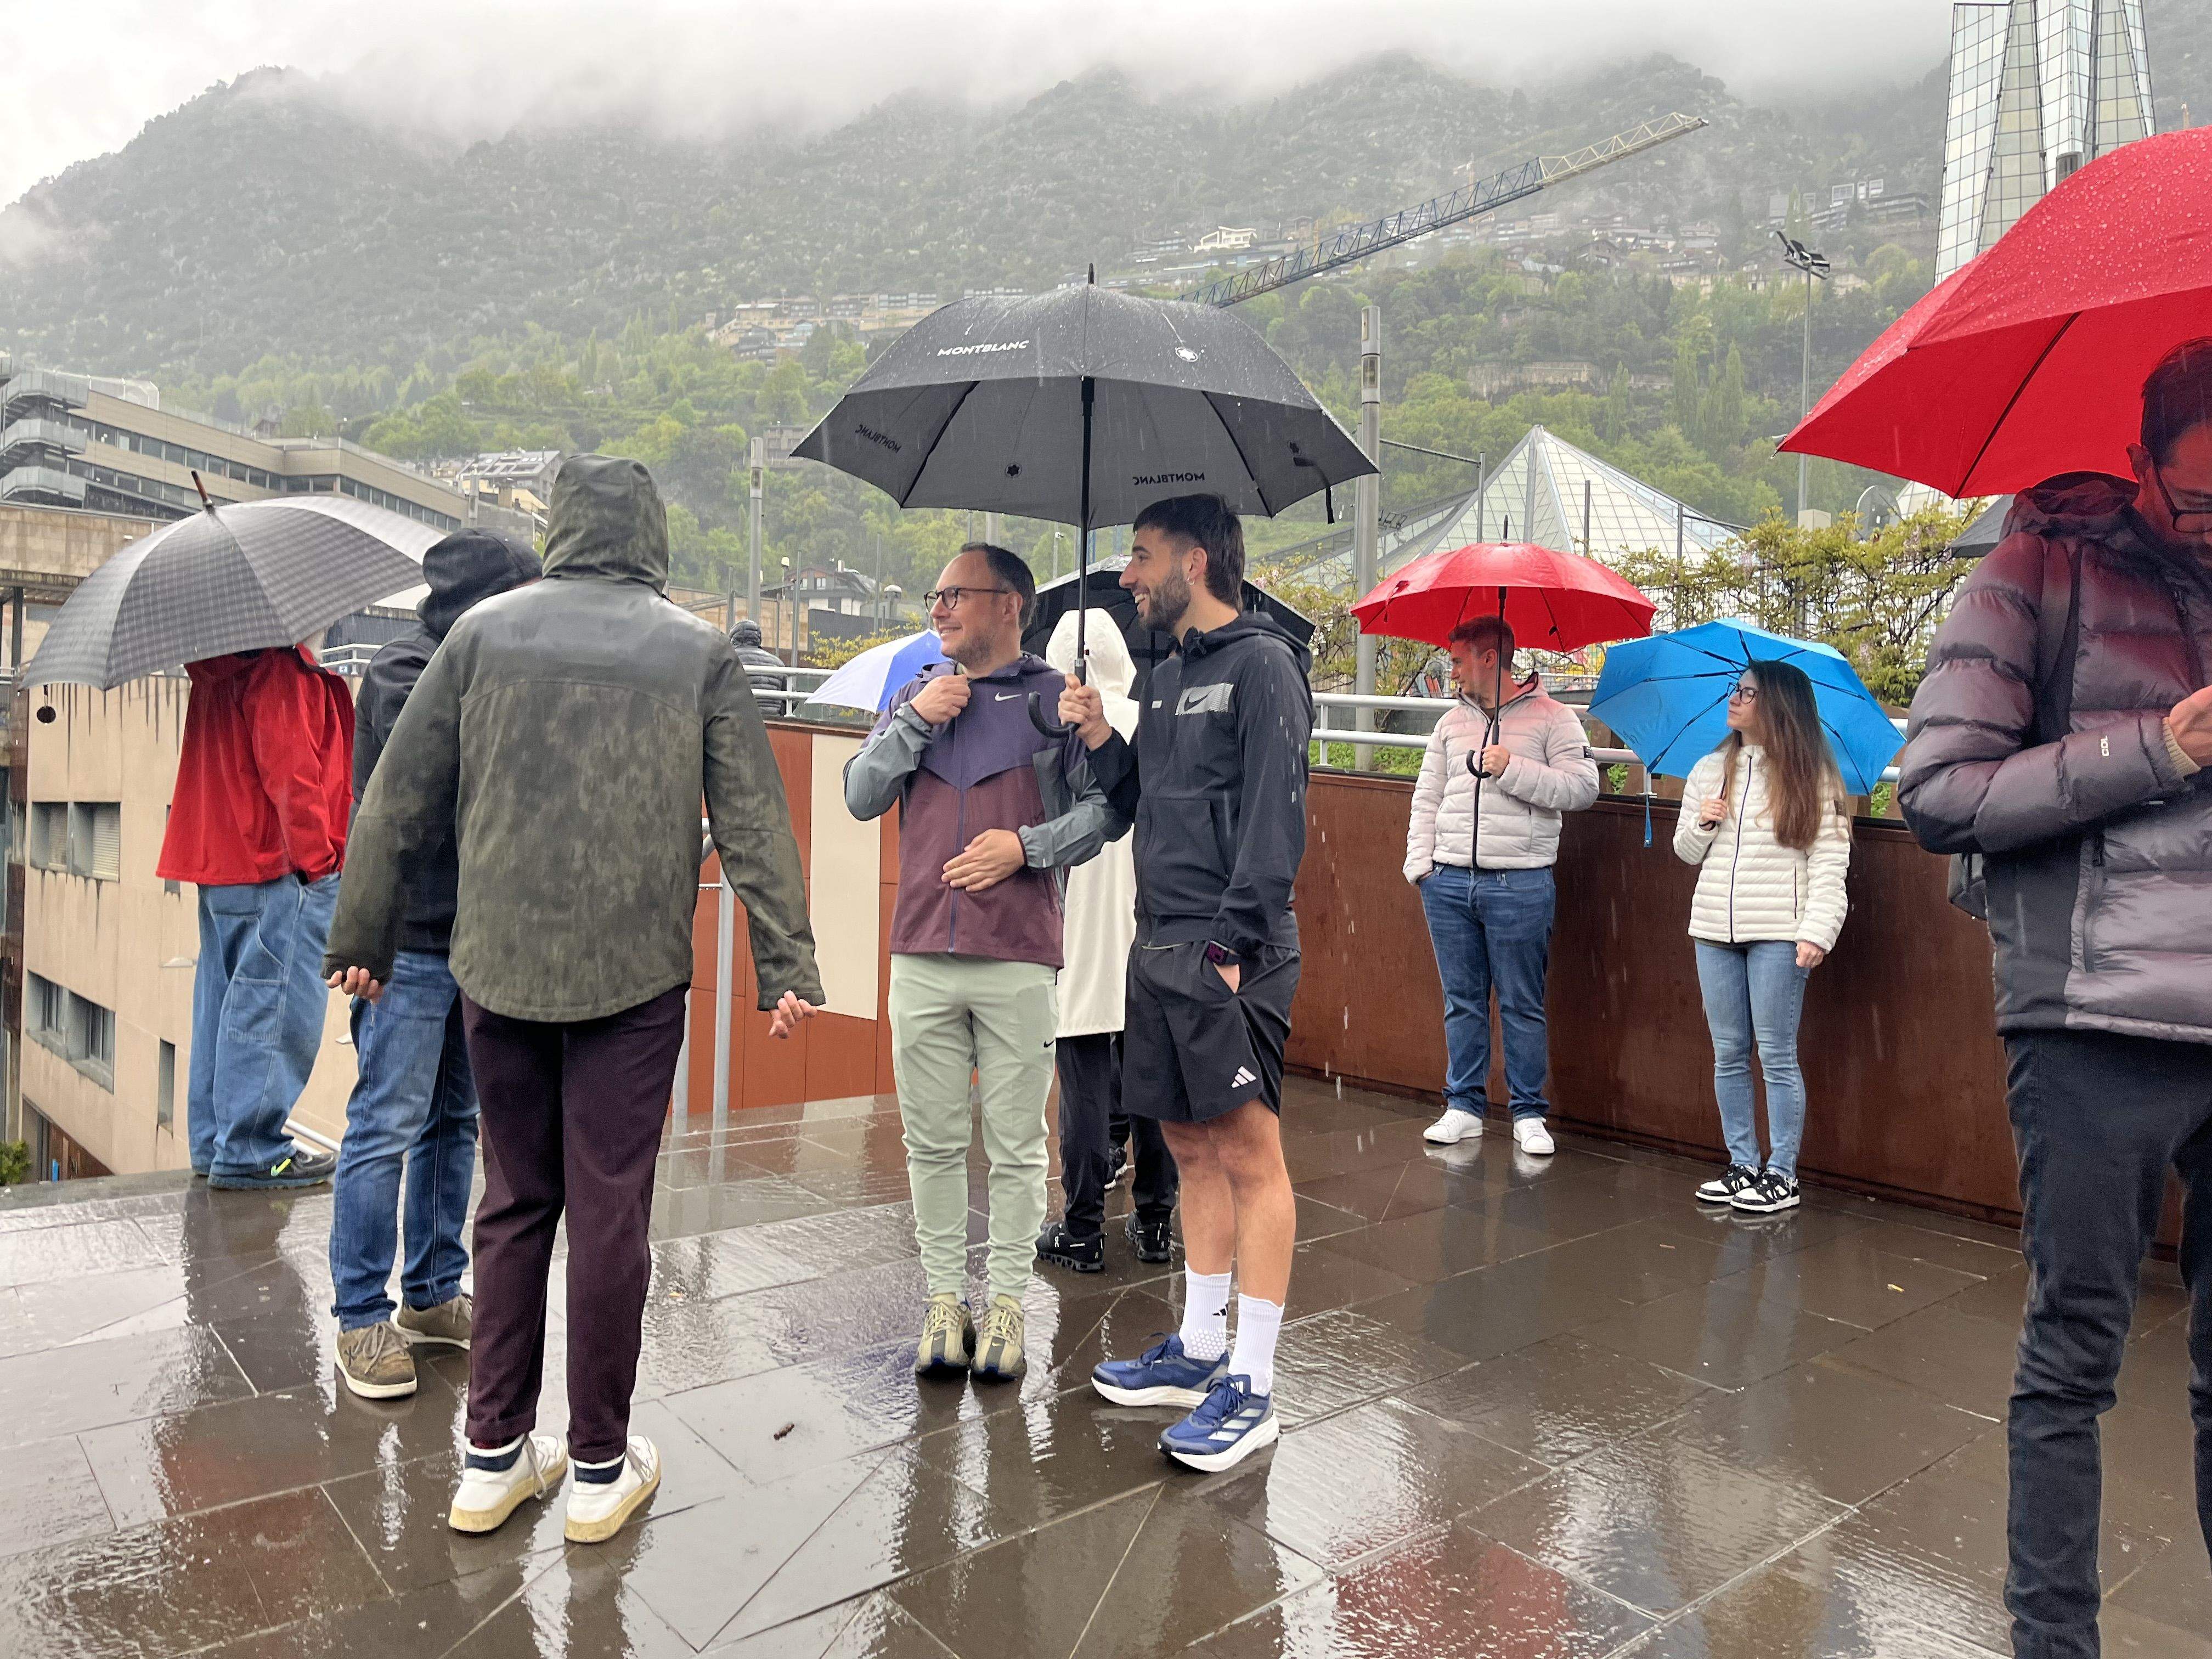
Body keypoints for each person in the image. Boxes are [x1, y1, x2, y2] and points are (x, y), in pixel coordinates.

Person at [324, 455, 823, 1546]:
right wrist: (785, 966)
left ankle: (490, 1460)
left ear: (560, 530)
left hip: (492, 963)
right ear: (649, 534)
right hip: (634, 976)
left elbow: (393, 801)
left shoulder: (478, 636)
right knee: (610, 1214)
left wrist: (361, 937)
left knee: (511, 1205)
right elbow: (754, 821)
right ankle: (599, 1466)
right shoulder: (697, 651)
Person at [1897, 337, 2212, 1659]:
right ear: (2143, 468)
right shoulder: (2035, 570)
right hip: (2094, 1017)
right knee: (2076, 1357)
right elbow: (1939, 796)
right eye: (2202, 503)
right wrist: (2164, 745)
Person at [1064, 493, 1312, 1474]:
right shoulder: (1165, 674)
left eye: (1140, 554)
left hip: (1225, 954)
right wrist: (1097, 735)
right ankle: (1200, 1348)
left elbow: (1275, 821)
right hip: (1156, 945)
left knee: (1250, 1155)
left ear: (1195, 561)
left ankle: (1251, 1381)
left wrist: (1228, 949)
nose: (1127, 573)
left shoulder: (1263, 666)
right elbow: (1130, 805)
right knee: (1188, 1145)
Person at [845, 543, 1117, 1381]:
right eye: (935, 596)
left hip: (1018, 955)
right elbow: (861, 794)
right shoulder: (915, 694)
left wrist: (1024, 848)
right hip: (922, 949)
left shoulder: (1055, 702)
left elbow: (1105, 814)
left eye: (955, 595)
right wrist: (918, 718)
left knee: (1015, 1147)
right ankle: (941, 1299)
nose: (939, 610)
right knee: (929, 1142)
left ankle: (1004, 1302)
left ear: (1010, 605)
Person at [328, 529, 540, 1402]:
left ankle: (429, 1293)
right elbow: (427, 791)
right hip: (409, 944)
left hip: (475, 938)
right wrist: (364, 940)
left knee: (455, 1122)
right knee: (385, 1124)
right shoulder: (404, 672)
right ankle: (359, 1316)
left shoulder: (479, 664)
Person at [157, 641, 355, 1189]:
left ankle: (216, 1143)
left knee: (223, 1007)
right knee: (274, 1009)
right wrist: (320, 863)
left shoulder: (218, 669)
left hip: (221, 862)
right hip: (276, 864)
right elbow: (293, 774)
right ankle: (251, 1150)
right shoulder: (276, 669)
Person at [1403, 616, 1598, 1156]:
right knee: (1461, 1001)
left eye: (1460, 660)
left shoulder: (1555, 719)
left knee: (1521, 1003)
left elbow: (1584, 788)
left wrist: (1511, 768)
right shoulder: (1449, 725)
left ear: (1491, 658)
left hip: (1521, 882)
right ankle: (1463, 1105)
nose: (1453, 669)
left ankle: (1528, 1113)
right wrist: (1422, 867)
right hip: (1448, 883)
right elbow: (1427, 797)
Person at [1672, 661, 1850, 1215]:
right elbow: (1684, 851)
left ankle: (1782, 1174)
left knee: (1775, 1054)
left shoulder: (1810, 776)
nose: (1736, 699)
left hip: (1779, 931)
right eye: (1736, 689)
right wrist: (1703, 821)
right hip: (1713, 930)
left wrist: (1818, 930)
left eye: (1748, 692)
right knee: (1728, 1053)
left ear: (1777, 704)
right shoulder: (1710, 769)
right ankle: (1742, 1163)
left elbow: (1829, 860)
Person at [1033, 611, 1178, 1276]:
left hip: (1076, 918)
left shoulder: (1054, 725)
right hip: (1146, 918)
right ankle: (1154, 1223)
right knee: (1153, 1080)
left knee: (1083, 1080)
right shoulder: (1150, 720)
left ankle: (1084, 1226)